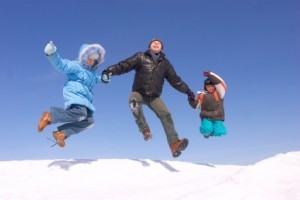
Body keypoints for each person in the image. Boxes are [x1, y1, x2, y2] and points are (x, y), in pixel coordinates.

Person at [100, 38, 195, 157]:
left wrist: (187, 91)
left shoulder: (165, 64)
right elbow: (125, 65)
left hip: (154, 97)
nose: (156, 43)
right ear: (149, 46)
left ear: (162, 48)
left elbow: (175, 80)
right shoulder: (140, 56)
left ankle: (174, 144)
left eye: (159, 43)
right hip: (139, 92)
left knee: (165, 114)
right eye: (153, 42)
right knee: (133, 101)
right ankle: (145, 130)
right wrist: (108, 71)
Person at [37, 41, 106, 147]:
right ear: (83, 57)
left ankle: (62, 133)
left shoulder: (92, 74)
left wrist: (103, 79)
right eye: (89, 58)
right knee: (81, 113)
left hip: (86, 102)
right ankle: (49, 116)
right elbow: (62, 65)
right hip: (75, 96)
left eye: (94, 60)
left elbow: (96, 79)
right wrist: (52, 55)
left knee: (89, 121)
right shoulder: (76, 65)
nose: (91, 61)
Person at [189, 71, 227, 138]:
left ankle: (212, 133)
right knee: (206, 129)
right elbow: (196, 106)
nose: (210, 88)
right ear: (205, 87)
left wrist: (210, 75)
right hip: (206, 116)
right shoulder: (202, 95)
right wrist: (191, 99)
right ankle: (207, 133)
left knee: (219, 131)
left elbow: (221, 84)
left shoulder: (219, 93)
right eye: (208, 86)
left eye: (212, 86)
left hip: (217, 115)